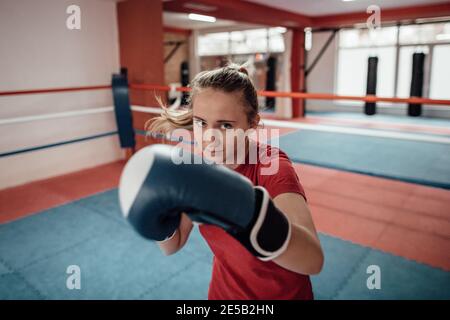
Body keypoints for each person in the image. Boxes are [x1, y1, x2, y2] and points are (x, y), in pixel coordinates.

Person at [141, 63, 324, 299]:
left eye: (225, 125)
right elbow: (172, 246)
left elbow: (313, 261)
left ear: (253, 123)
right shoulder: (197, 171)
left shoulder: (271, 167)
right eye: (201, 123)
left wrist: (250, 215)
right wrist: (157, 220)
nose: (209, 137)